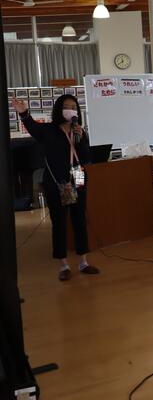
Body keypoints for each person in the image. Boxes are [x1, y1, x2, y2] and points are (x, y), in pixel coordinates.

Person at [12, 95, 99, 281]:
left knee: (80, 219)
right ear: (59, 109)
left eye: (74, 107)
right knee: (59, 222)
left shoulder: (79, 131)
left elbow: (86, 158)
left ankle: (83, 262)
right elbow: (32, 127)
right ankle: (63, 265)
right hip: (57, 181)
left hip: (78, 176)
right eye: (67, 106)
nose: (71, 110)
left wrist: (81, 139)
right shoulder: (49, 130)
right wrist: (23, 113)